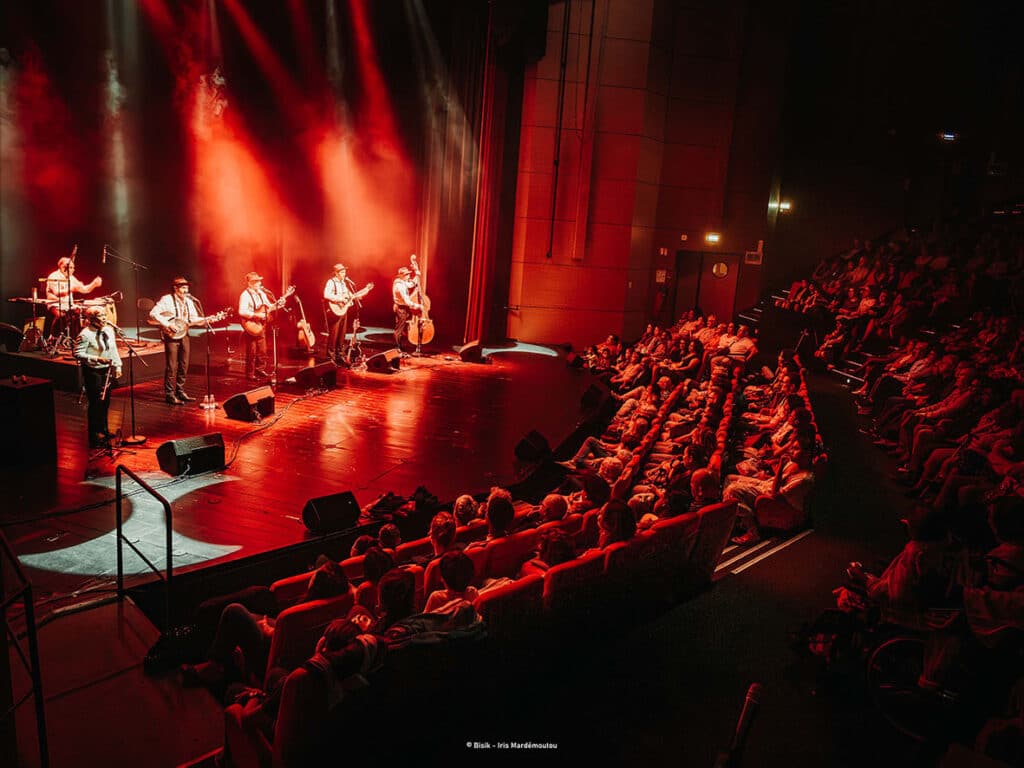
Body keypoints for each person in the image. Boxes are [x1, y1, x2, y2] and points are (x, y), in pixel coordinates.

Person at [74, 306, 122, 448]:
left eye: (104, 315)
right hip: (93, 371)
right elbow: (77, 354)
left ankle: (104, 429)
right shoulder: (85, 334)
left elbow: (113, 349)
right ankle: (93, 435)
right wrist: (96, 358)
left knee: (106, 401)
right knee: (95, 402)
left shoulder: (108, 330)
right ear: (92, 319)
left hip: (106, 370)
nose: (104, 318)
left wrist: (118, 365)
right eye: (100, 316)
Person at [149, 277, 202, 404]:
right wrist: (167, 324)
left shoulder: (189, 302)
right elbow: (153, 313)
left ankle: (180, 391)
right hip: (171, 335)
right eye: (183, 288)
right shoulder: (166, 299)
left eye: (187, 288)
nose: (186, 290)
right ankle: (169, 394)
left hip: (184, 334)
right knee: (172, 366)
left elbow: (193, 319)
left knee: (184, 364)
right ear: (175, 288)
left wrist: (207, 320)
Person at [45, 251, 102, 342]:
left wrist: (94, 284)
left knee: (77, 312)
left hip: (68, 304)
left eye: (73, 268)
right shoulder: (53, 276)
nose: (73, 270)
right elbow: (57, 293)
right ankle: (53, 338)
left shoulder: (71, 277)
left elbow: (84, 289)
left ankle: (75, 339)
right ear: (62, 267)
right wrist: (71, 289)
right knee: (62, 316)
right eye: (70, 267)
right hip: (55, 304)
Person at [323, 263, 373, 365]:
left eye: (344, 271)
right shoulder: (331, 282)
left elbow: (351, 296)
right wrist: (340, 299)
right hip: (334, 311)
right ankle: (330, 357)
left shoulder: (344, 284)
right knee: (334, 335)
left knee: (342, 334)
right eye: (342, 272)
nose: (344, 273)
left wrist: (365, 291)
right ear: (336, 273)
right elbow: (326, 294)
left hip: (343, 311)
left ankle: (340, 355)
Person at [237, 272, 273, 381]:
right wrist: (256, 315)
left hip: (261, 325)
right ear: (250, 283)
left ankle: (260, 369)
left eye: (259, 281)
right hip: (250, 324)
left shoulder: (262, 293)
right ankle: (250, 374)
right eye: (256, 281)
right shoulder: (244, 295)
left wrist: (278, 304)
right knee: (252, 351)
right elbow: (241, 311)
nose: (259, 283)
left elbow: (269, 306)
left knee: (263, 350)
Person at [391, 258, 421, 356]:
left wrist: (417, 274)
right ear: (402, 276)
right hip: (401, 308)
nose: (409, 276)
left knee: (400, 328)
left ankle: (399, 346)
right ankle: (396, 347)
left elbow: (411, 284)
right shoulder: (400, 286)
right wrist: (417, 306)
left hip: (401, 308)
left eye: (409, 274)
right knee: (399, 329)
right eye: (407, 274)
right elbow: (407, 301)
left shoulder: (402, 282)